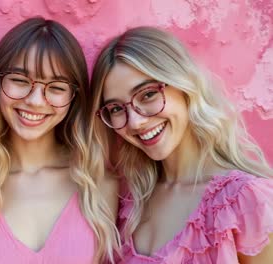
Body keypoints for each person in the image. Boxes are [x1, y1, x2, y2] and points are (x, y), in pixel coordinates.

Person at [0, 17, 120, 263]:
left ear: (73, 98)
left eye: (56, 87)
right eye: (20, 80)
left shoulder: (100, 186)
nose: (36, 101)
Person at [90, 26, 273, 263]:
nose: (135, 122)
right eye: (116, 108)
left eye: (147, 95)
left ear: (184, 85)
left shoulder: (246, 201)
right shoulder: (130, 202)